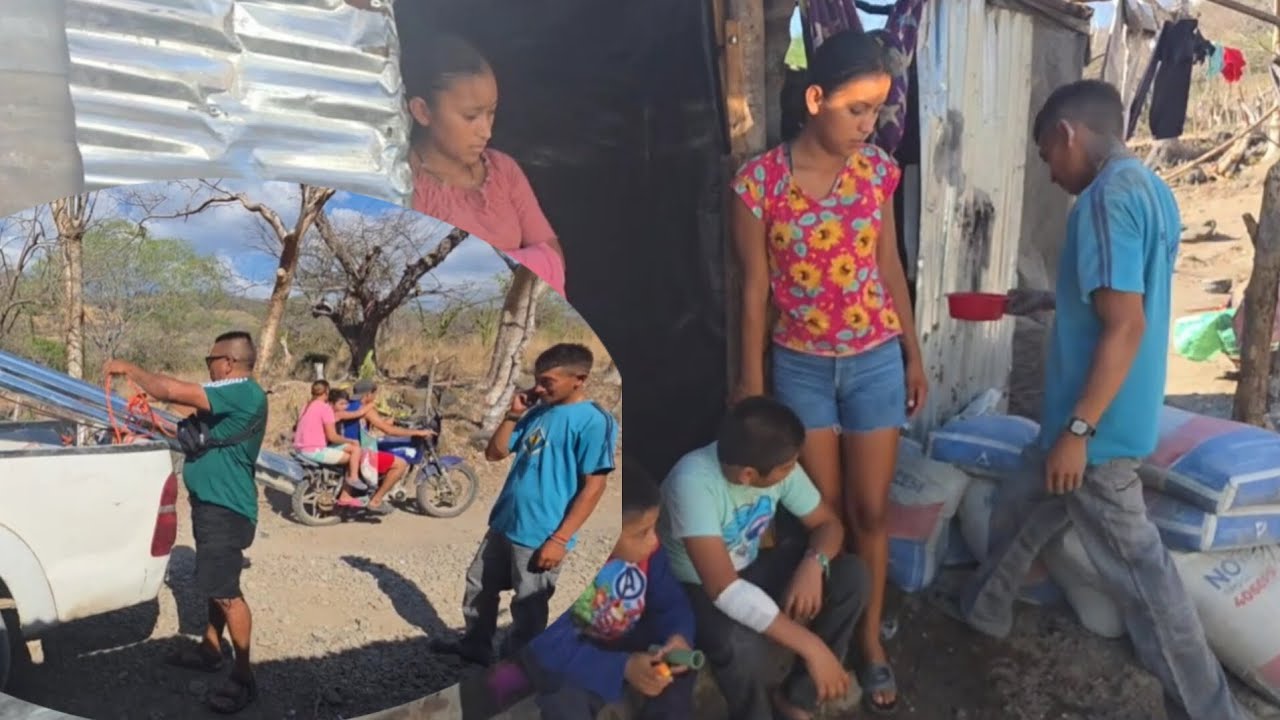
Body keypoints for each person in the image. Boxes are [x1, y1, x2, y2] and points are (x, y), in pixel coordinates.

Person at [934, 80, 1249, 720]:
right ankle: (984, 607)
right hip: (1093, 414)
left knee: (1144, 578)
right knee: (1026, 502)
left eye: (1047, 155)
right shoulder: (1150, 189)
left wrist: (1080, 429)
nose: (1050, 174)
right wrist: (1048, 301)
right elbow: (1123, 295)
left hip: (1096, 425)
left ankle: (1211, 709)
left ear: (1067, 133)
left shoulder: (1105, 200)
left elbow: (1126, 325)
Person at [727, 28, 924, 713]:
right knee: (828, 516)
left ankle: (870, 644)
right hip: (802, 370)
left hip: (873, 362)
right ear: (815, 99)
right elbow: (754, 288)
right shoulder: (759, 184)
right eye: (857, 110)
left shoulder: (878, 174)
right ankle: (828, 650)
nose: (870, 127)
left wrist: (912, 351)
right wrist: (752, 385)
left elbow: (890, 266)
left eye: (877, 112)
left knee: (873, 512)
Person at [660, 396, 870, 720]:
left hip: (750, 567)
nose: (792, 470)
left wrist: (814, 563)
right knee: (737, 644)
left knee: (851, 575)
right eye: (787, 467)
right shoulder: (691, 483)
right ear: (747, 475)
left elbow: (828, 525)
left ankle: (798, 699)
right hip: (698, 587)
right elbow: (724, 589)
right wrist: (812, 647)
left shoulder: (777, 462)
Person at [104, 331, 267, 715]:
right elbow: (182, 411)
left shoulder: (244, 392)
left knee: (227, 592)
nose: (208, 364)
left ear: (228, 361)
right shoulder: (231, 398)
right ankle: (211, 649)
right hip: (214, 506)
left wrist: (131, 370)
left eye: (212, 358)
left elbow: (173, 391)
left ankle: (244, 676)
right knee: (216, 583)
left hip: (226, 509)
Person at [432, 343, 619, 665]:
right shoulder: (539, 411)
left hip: (542, 532)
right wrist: (514, 413)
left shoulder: (593, 421)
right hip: (506, 522)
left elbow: (595, 485)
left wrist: (559, 539)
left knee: (528, 604)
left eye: (548, 381)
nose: (539, 387)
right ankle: (476, 645)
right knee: (479, 585)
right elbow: (495, 453)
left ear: (579, 379)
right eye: (537, 380)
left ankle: (518, 668)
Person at [520, 462, 697, 719]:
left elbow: (671, 603)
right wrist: (622, 667)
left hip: (625, 640)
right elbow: (549, 646)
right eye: (642, 533)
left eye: (654, 528)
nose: (655, 541)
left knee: (678, 671)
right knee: (564, 700)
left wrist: (677, 636)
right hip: (572, 654)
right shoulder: (560, 570)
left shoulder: (649, 555)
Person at [401, 31, 567, 296]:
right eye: (471, 116)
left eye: (491, 113)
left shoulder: (504, 170)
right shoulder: (406, 188)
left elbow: (551, 253)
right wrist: (522, 264)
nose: (486, 132)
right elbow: (433, 284)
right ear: (422, 111)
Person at [340, 379, 435, 514]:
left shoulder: (348, 405)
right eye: (374, 393)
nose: (375, 397)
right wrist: (418, 432)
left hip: (347, 446)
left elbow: (367, 424)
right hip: (360, 451)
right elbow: (389, 431)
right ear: (367, 395)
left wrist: (387, 421)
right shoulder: (366, 409)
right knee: (400, 464)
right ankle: (376, 501)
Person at [292, 379, 366, 508]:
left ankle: (346, 485)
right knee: (354, 453)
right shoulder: (325, 408)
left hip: (300, 448)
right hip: (314, 450)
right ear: (326, 392)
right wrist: (351, 440)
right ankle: (351, 484)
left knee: (351, 449)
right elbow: (333, 436)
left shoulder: (306, 406)